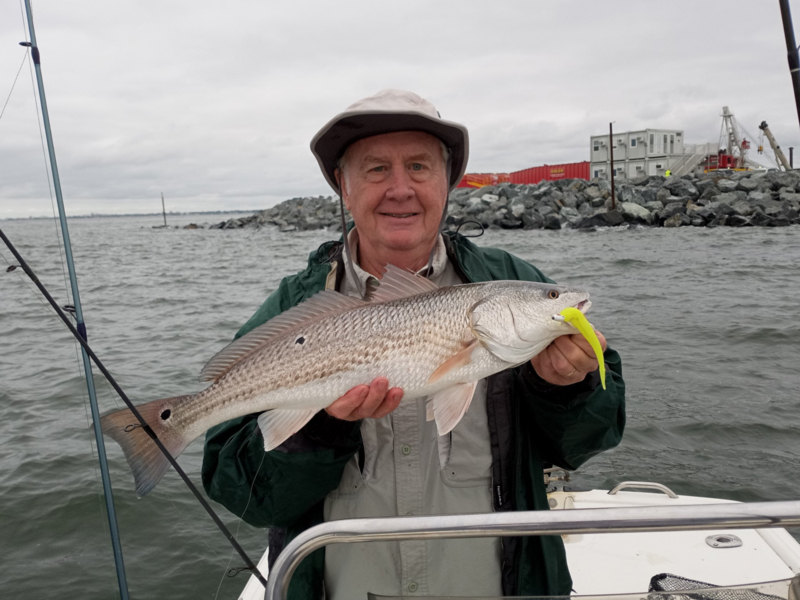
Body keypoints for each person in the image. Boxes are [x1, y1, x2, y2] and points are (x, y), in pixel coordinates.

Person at [202, 89, 626, 600]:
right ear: (344, 185)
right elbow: (243, 494)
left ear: (447, 181)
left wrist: (564, 387)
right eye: (377, 169)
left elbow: (590, 441)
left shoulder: (512, 282)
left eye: (420, 167)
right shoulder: (295, 304)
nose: (400, 189)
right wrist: (321, 429)